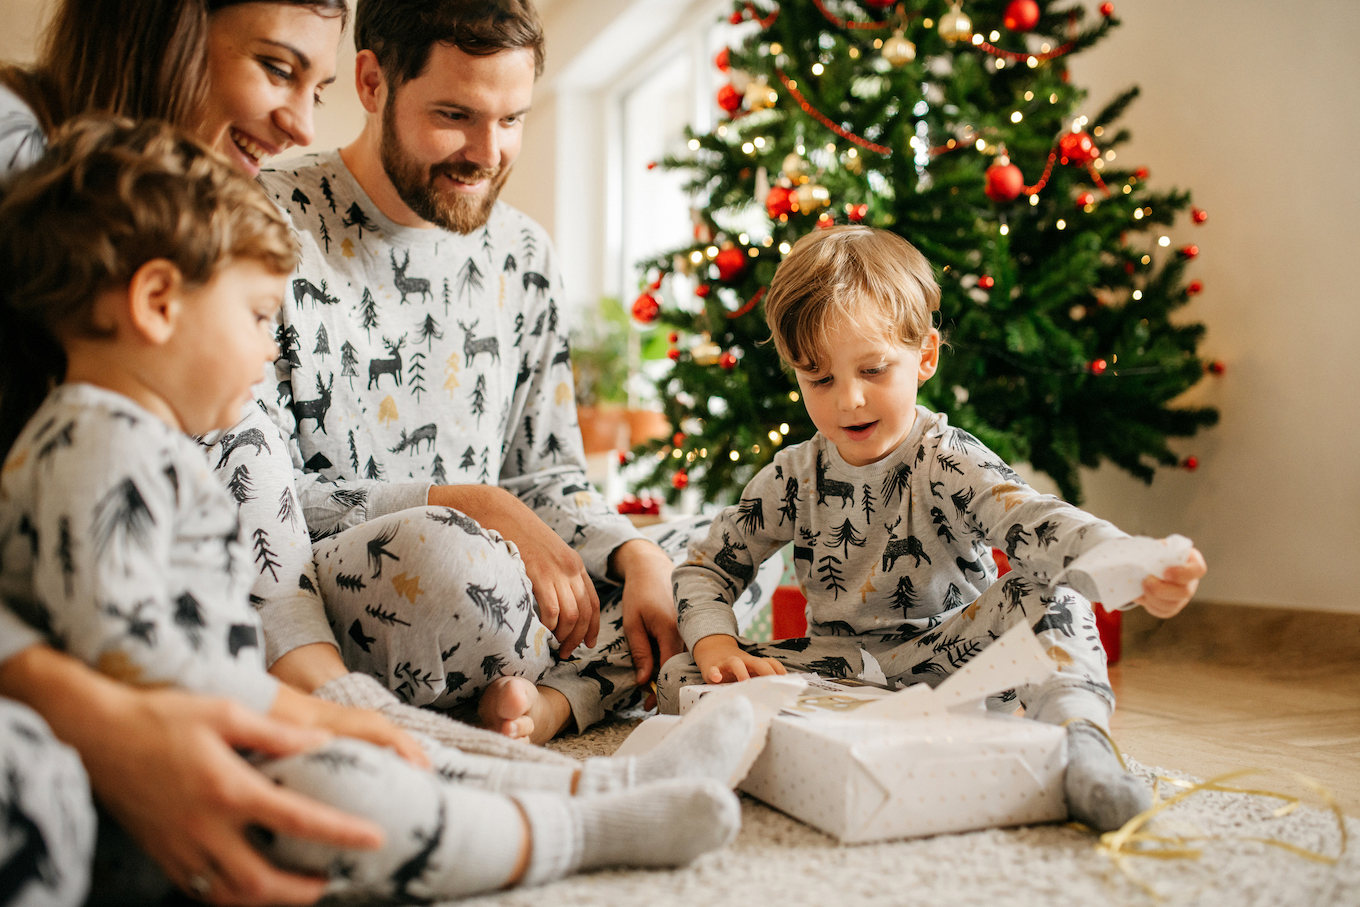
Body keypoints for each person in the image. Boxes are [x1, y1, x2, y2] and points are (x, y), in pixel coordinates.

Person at [0, 116, 748, 905]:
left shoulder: (134, 442)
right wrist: (302, 717)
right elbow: (139, 669)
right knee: (364, 789)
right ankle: (581, 830)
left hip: (230, 719)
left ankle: (605, 783)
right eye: (255, 317)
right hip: (175, 767)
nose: (268, 349)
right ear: (157, 302)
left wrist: (319, 713)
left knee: (386, 741)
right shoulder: (97, 449)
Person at [226, 0, 777, 746]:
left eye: (512, 119)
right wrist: (472, 504)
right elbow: (259, 500)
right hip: (378, 582)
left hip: (503, 585)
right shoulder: (260, 221)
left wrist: (634, 552)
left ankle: (544, 701)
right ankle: (578, 679)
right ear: (371, 83)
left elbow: (548, 475)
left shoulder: (523, 252)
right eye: (455, 116)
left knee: (729, 552)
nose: (487, 154)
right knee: (443, 554)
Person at [656, 225, 1209, 834]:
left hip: (957, 666)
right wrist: (716, 644)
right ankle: (788, 750)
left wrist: (1126, 560)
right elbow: (706, 567)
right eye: (820, 379)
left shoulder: (948, 459)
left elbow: (1033, 520)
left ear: (925, 356)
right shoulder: (793, 475)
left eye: (873, 369)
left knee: (1051, 592)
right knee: (683, 674)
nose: (849, 400)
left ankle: (1082, 750)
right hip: (838, 671)